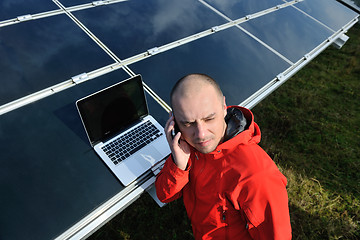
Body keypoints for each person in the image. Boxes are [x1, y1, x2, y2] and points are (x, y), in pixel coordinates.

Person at [155, 73, 292, 239]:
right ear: (174, 121)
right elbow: (164, 194)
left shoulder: (257, 177)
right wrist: (179, 165)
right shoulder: (188, 147)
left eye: (209, 118)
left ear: (223, 107)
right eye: (188, 123)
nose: (201, 134)